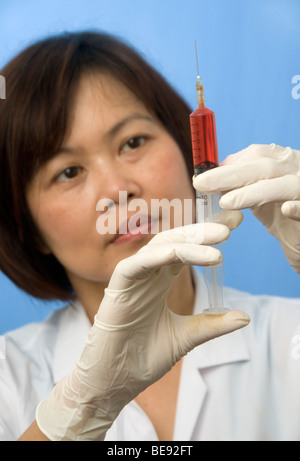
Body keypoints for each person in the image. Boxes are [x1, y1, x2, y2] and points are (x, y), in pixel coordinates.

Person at [0, 31, 299, 442]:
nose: (118, 189)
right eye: (68, 172)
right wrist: (81, 410)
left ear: (187, 150)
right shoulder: (8, 376)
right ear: (28, 229)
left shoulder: (288, 335)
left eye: (133, 142)